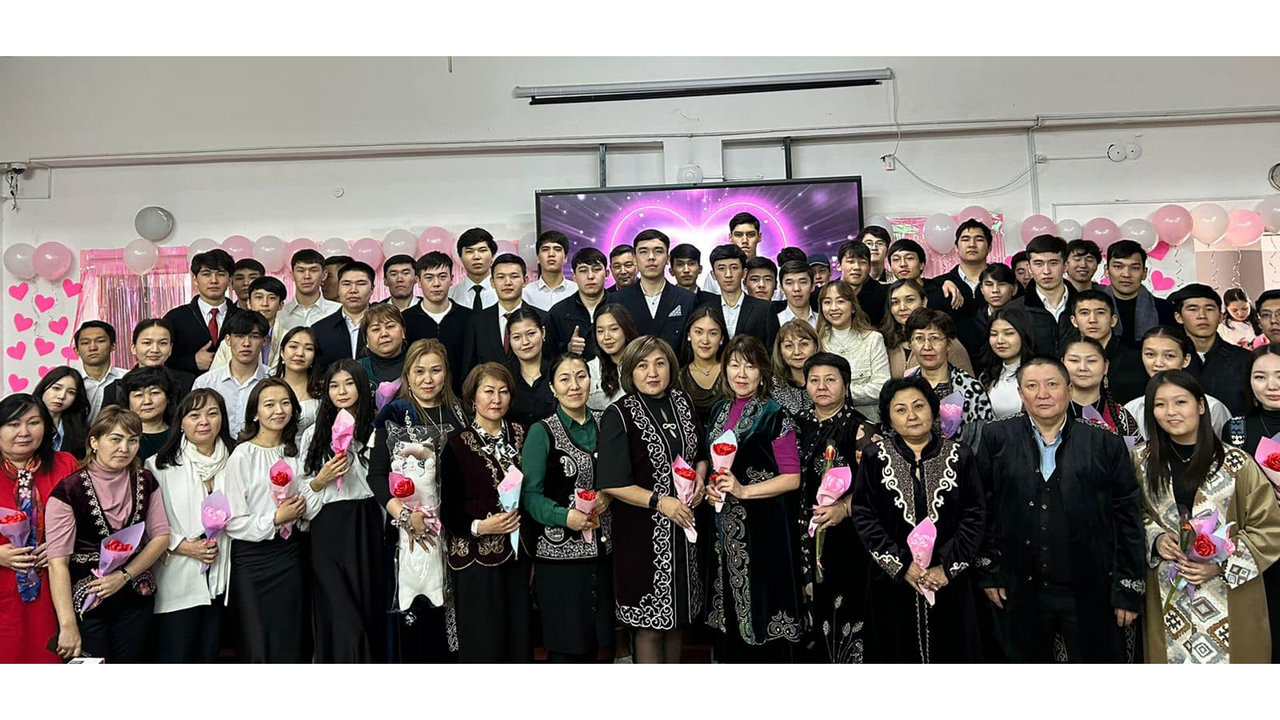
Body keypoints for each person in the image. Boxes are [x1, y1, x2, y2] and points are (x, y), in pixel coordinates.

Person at [975, 357, 1145, 663]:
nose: (1043, 394)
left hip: (1090, 585)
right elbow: (982, 507)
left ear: (1069, 389)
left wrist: (1127, 588)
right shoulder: (996, 436)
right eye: (1032, 386)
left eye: (1052, 384)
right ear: (1020, 393)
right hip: (1018, 585)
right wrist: (989, 572)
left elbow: (1127, 517)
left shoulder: (1105, 443)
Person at [1136, 370, 1280, 663]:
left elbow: (1269, 528)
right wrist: (1156, 538)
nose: (1171, 412)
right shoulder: (1141, 461)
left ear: (1201, 405)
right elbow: (1130, 515)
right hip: (1166, 592)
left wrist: (1221, 565)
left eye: (1181, 402)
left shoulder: (1237, 463)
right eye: (1160, 404)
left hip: (1230, 596)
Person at [851, 375, 985, 663]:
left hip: (948, 581)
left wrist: (947, 567)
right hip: (892, 582)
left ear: (933, 410)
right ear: (888, 417)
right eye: (900, 409)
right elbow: (864, 515)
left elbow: (974, 514)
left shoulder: (960, 455)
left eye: (919, 406)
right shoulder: (875, 457)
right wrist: (901, 565)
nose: (911, 416)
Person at [597, 336, 707, 663]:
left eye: (660, 363)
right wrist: (661, 502)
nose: (652, 373)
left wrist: (701, 477)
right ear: (630, 371)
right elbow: (612, 482)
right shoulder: (619, 414)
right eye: (643, 366)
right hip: (641, 534)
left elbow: (700, 453)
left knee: (676, 621)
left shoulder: (683, 402)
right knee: (649, 627)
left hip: (683, 532)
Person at [701, 335, 803, 662]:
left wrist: (744, 491)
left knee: (762, 604)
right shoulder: (719, 410)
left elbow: (792, 478)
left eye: (750, 365)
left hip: (765, 526)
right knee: (728, 605)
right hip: (723, 525)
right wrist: (711, 489)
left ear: (762, 372)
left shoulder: (775, 414)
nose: (741, 374)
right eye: (734, 365)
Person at [47, 407, 171, 662]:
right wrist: (67, 625)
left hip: (136, 598)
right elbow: (57, 563)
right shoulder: (68, 491)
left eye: (132, 440)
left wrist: (124, 576)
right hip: (86, 605)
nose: (124, 448)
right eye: (115, 439)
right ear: (94, 442)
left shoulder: (146, 480)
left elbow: (161, 537)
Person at [369, 338, 464, 663]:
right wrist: (406, 517)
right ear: (407, 374)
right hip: (408, 532)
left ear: (446, 373)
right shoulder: (395, 413)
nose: (428, 379)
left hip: (454, 528)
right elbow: (376, 476)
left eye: (435, 371)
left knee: (451, 615)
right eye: (419, 371)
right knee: (415, 618)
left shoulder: (459, 411)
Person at [520, 354, 614, 663]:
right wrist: (565, 517)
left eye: (581, 376)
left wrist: (608, 496)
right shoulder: (542, 431)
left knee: (600, 647)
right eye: (564, 379)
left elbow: (622, 474)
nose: (574, 385)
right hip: (560, 560)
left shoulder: (607, 422)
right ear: (552, 388)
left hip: (603, 555)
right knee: (567, 649)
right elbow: (530, 496)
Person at [439, 363, 531, 662]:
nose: (496, 399)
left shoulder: (524, 434)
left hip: (518, 556)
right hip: (475, 559)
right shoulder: (456, 444)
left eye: (503, 392)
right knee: (483, 642)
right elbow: (448, 510)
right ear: (473, 397)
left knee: (518, 639)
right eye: (488, 391)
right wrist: (480, 526)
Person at [298, 360, 384, 663]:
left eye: (349, 384)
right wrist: (321, 480)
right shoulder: (314, 434)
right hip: (327, 527)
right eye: (334, 386)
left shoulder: (375, 430)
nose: (342, 391)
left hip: (365, 523)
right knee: (337, 609)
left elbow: (382, 484)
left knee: (364, 605)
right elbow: (304, 491)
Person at [221, 378, 310, 663]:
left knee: (290, 636)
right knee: (256, 640)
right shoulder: (242, 455)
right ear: (255, 413)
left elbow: (307, 501)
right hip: (252, 560)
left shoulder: (297, 451)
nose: (278, 410)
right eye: (269, 404)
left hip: (290, 553)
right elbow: (232, 521)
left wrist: (302, 509)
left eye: (285, 403)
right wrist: (275, 518)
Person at [796, 353, 876, 663]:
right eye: (814, 380)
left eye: (830, 380)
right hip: (799, 534)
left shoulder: (861, 429)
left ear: (846, 384)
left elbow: (878, 485)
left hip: (842, 537)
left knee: (840, 610)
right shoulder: (796, 423)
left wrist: (845, 507)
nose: (822, 387)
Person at [145, 389, 233, 663]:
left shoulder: (236, 459)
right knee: (177, 656)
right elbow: (148, 522)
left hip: (222, 575)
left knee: (210, 656)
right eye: (194, 415)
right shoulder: (158, 464)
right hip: (177, 573)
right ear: (181, 422)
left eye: (212, 413)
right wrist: (184, 546)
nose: (204, 421)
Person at [0, 394, 79, 663]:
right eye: (13, 424)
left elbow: (88, 522)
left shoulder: (65, 464)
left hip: (53, 587)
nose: (24, 432)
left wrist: (64, 545)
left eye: (33, 423)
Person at [905, 309, 994, 449]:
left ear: (949, 344)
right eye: (919, 338)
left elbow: (984, 441)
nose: (927, 347)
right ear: (910, 343)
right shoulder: (903, 387)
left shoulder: (971, 389)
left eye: (935, 338)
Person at [1127, 325, 1231, 440]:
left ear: (1186, 360)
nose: (1158, 363)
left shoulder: (1212, 408)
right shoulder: (1133, 409)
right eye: (1150, 354)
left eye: (1169, 356)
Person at [1171, 283, 1252, 416]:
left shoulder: (1245, 359)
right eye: (1193, 309)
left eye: (1209, 309)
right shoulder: (1170, 360)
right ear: (1178, 317)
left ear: (1220, 316)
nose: (1202, 315)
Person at [816, 281, 891, 423]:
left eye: (840, 301)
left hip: (870, 422)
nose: (834, 308)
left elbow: (882, 387)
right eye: (827, 302)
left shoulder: (873, 339)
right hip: (829, 424)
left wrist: (841, 393)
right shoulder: (818, 342)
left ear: (853, 307)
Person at [192, 311, 271, 439]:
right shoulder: (206, 383)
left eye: (254, 336)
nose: (246, 343)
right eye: (240, 336)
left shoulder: (274, 379)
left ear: (265, 341)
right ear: (228, 340)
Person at [164, 249, 244, 377]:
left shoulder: (243, 317)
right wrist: (192, 361)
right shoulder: (175, 317)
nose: (214, 280)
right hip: (187, 387)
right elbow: (160, 358)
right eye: (206, 274)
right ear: (195, 279)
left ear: (230, 280)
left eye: (221, 274)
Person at [613, 230, 698, 350]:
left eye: (658, 251)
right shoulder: (617, 300)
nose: (651, 257)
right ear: (635, 259)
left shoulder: (687, 299)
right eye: (643, 252)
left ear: (667, 258)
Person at [402, 251, 471, 391]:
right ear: (418, 281)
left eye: (442, 276)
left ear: (451, 279)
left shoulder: (470, 318)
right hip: (420, 395)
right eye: (429, 278)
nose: (436, 284)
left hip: (462, 396)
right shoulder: (405, 319)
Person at [462, 253, 545, 369]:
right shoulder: (477, 322)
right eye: (501, 277)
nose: (508, 282)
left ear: (525, 280)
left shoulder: (542, 318)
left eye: (514, 276)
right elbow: (470, 368)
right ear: (492, 282)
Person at [1068, 288, 1147, 405]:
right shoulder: (1066, 357)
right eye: (1084, 313)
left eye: (1100, 313)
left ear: (1113, 320)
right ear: (1074, 321)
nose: (1092, 320)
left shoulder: (1135, 360)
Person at [882, 279, 974, 379]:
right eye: (895, 302)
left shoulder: (945, 341)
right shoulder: (885, 342)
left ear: (924, 302)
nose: (902, 307)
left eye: (909, 300)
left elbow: (967, 383)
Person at [102, 319, 195, 410]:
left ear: (170, 348)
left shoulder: (186, 382)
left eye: (163, 343)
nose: (155, 350)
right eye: (147, 343)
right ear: (134, 348)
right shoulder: (117, 388)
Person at [697, 244, 779, 348]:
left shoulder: (764, 308)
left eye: (734, 268)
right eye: (721, 268)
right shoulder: (705, 308)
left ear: (744, 273)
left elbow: (773, 350)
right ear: (713, 274)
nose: (728, 274)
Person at [1005, 234, 1075, 355]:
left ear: (1065, 266)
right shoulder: (1014, 310)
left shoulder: (1083, 306)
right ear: (1029, 267)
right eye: (1038, 264)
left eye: (1053, 263)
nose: (1046, 271)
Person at [1100, 240, 1177, 349]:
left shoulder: (1165, 309)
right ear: (1107, 271)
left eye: (1135, 268)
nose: (1126, 274)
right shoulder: (1092, 310)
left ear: (1144, 273)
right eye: (1118, 266)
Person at [1061, 337, 1140, 437]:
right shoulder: (1048, 410)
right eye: (1074, 360)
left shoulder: (1122, 417)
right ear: (1062, 364)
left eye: (1091, 361)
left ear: (1105, 366)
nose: (1082, 368)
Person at [545, 247, 609, 361]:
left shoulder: (620, 305)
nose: (590, 276)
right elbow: (548, 354)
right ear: (574, 276)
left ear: (607, 274)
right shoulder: (558, 312)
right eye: (583, 271)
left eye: (596, 269)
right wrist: (568, 348)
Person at [213, 276, 289, 371]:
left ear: (281, 305)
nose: (265, 303)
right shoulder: (231, 341)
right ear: (249, 303)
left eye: (272, 298)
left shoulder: (288, 339)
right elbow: (215, 376)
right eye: (259, 297)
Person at [311, 260, 375, 372]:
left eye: (361, 284)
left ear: (372, 288)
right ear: (339, 288)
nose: (353, 290)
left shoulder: (386, 326)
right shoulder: (320, 329)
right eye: (346, 284)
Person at [978, 308, 1034, 420]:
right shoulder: (986, 377)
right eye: (994, 334)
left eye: (1009, 333)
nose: (1000, 341)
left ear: (1023, 334)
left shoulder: (1038, 374)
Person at [885, 238, 967, 313]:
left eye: (909, 258)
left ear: (921, 265)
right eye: (896, 259)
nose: (903, 264)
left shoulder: (943, 292)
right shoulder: (887, 294)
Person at [504, 307, 555, 426]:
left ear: (543, 332)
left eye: (531, 334)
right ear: (509, 339)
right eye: (517, 337)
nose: (525, 342)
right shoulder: (503, 376)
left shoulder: (558, 371)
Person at [588, 304, 639, 412]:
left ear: (626, 329)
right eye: (600, 331)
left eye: (614, 329)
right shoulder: (590, 370)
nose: (607, 337)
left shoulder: (642, 366)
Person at [700, 212, 766, 295]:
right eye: (738, 235)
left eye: (750, 235)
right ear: (730, 237)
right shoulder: (714, 276)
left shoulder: (771, 272)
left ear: (759, 237)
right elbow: (707, 302)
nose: (744, 240)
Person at [73, 321, 127, 421]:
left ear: (113, 346)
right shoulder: (70, 382)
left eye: (100, 341)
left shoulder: (127, 378)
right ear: (76, 350)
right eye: (85, 343)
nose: (93, 348)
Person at [274, 326, 323, 435]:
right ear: (282, 352)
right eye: (293, 346)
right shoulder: (268, 389)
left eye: (308, 348)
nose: (300, 353)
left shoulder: (323, 391)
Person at [278, 249, 340, 336]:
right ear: (292, 275)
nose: (307, 276)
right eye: (300, 271)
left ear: (324, 275)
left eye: (313, 270)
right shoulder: (280, 314)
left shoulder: (338, 312)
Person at [119, 366, 175, 462]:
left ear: (168, 398)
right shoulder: (119, 435)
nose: (147, 401)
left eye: (154, 393)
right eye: (139, 395)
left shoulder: (180, 434)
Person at [34, 367, 90, 460]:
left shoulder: (81, 430)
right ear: (44, 388)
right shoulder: (24, 421)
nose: (61, 396)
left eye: (71, 392)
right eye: (56, 388)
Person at [770, 319, 819, 418]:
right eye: (789, 346)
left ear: (815, 346)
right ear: (780, 351)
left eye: (804, 344)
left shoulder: (829, 380)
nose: (797, 352)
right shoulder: (772, 386)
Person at [358, 303, 408, 397]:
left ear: (403, 332)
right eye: (376, 329)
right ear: (367, 339)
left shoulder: (417, 365)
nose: (384, 334)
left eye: (390, 326)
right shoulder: (356, 371)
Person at [523, 230, 578, 311]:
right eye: (545, 249)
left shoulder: (576, 291)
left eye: (557, 249)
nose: (551, 254)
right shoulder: (527, 293)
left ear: (565, 258)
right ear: (538, 258)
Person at [836, 240, 887, 326]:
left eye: (862, 262)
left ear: (869, 268)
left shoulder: (882, 294)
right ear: (839, 266)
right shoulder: (825, 293)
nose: (857, 267)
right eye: (850, 262)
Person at [447, 227, 498, 311]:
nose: (476, 257)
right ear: (460, 257)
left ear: (492, 255)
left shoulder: (505, 292)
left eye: (482, 250)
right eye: (469, 251)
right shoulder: (450, 295)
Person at [778, 260, 818, 327]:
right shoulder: (776, 321)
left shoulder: (823, 322)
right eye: (789, 283)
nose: (796, 289)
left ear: (812, 286)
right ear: (781, 288)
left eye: (803, 282)